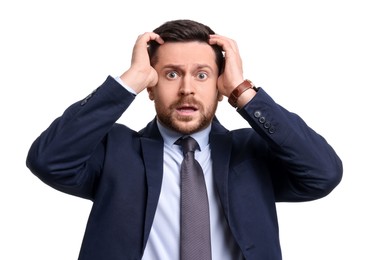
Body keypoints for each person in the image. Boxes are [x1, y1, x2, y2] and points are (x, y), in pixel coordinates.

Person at [26, 19, 343, 260]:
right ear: (151, 85)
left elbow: (323, 173)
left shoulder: (252, 152)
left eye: (202, 75)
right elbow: (48, 159)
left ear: (219, 87)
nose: (187, 89)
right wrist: (129, 81)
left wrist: (243, 92)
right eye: (171, 74)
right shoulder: (114, 151)